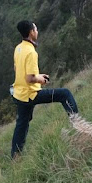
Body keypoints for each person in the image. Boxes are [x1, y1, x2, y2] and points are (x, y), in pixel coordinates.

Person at [11, 20, 79, 158]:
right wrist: (40, 79)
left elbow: (17, 69)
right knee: (64, 94)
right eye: (36, 29)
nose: (37, 32)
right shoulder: (31, 52)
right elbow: (29, 78)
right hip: (30, 93)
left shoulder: (18, 48)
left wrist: (38, 75)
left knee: (21, 125)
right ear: (31, 32)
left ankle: (15, 156)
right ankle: (78, 125)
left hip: (19, 93)